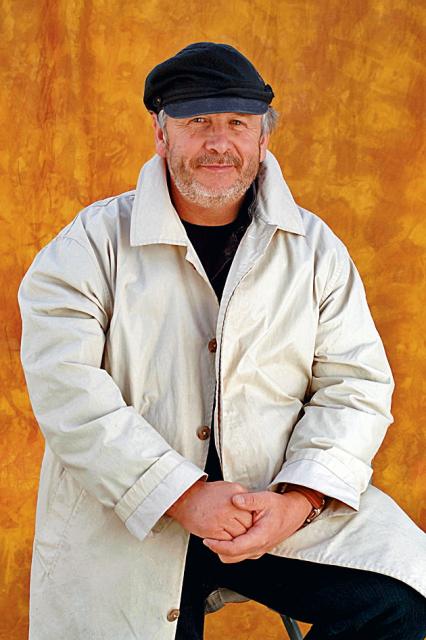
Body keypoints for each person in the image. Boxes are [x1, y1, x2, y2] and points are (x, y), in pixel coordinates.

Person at [18, 42, 425, 640]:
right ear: (161, 135)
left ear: (263, 138)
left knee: (404, 600)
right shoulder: (90, 244)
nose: (218, 142)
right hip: (133, 513)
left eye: (237, 123)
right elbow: (68, 393)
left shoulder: (315, 250)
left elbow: (355, 386)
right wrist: (183, 495)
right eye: (197, 122)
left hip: (273, 503)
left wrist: (298, 500)